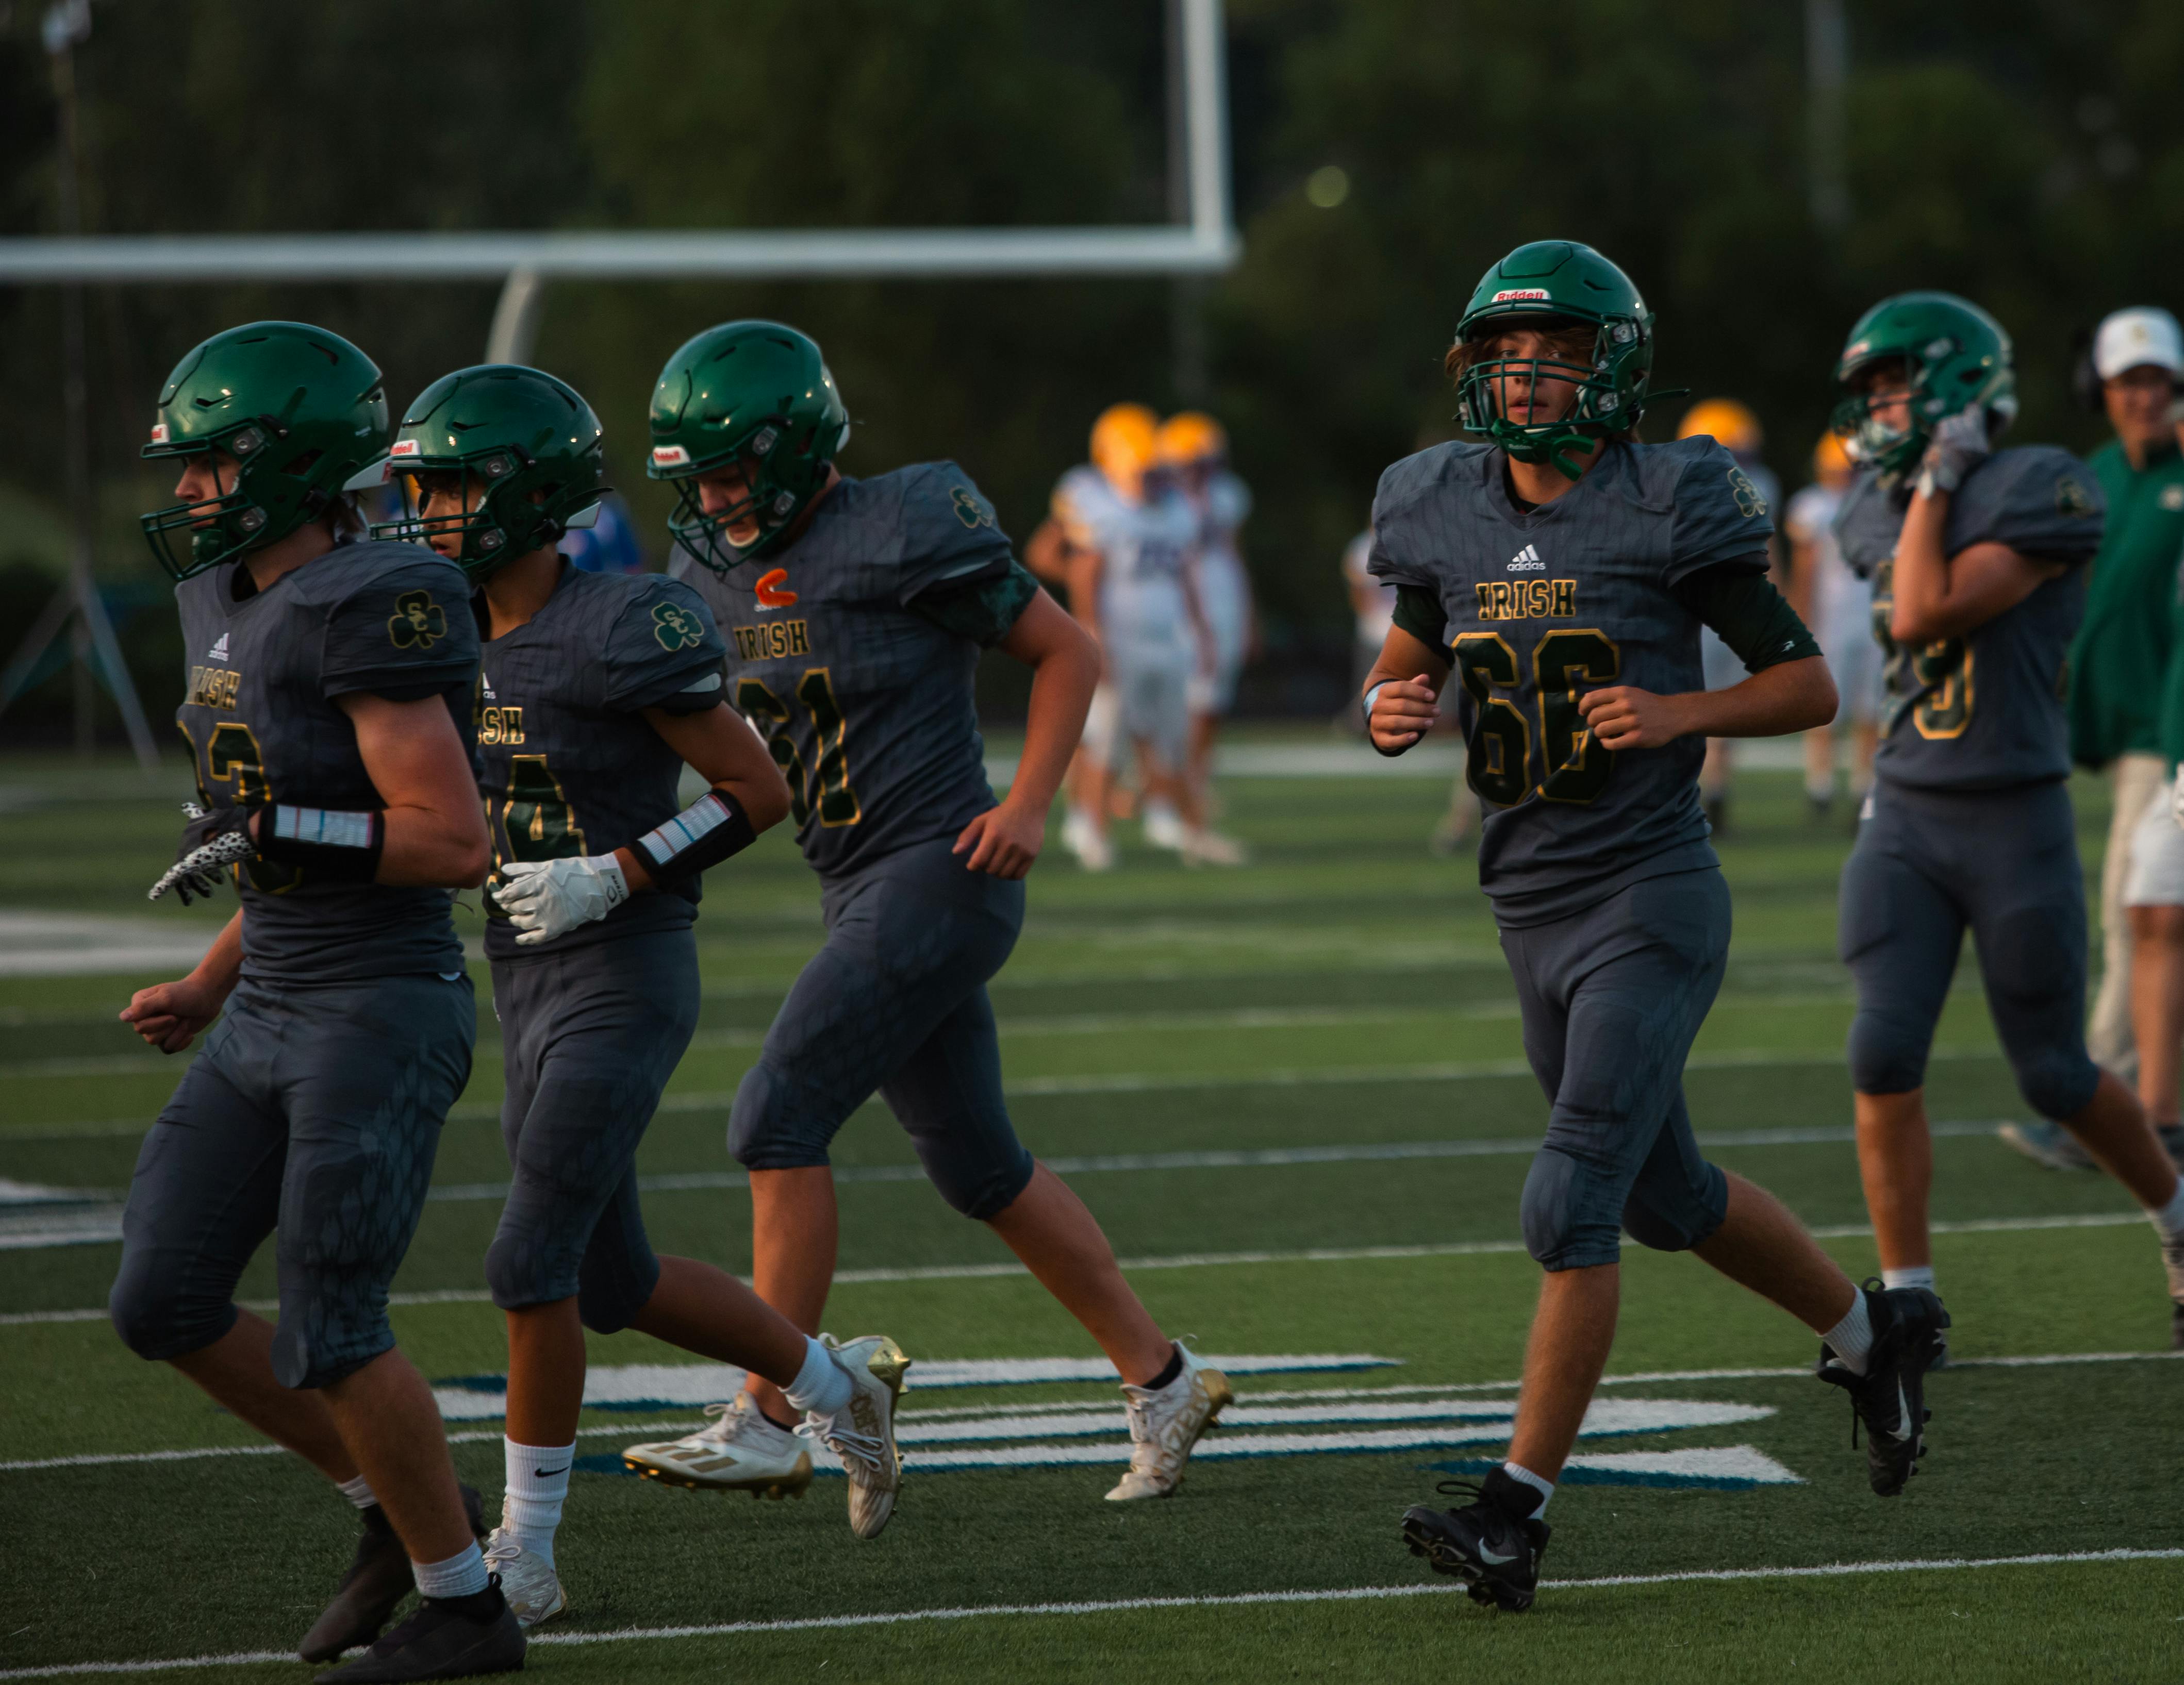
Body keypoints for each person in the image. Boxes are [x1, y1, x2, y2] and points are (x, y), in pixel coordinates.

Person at [1365, 242, 1935, 1616]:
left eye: (1556, 349)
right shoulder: (1432, 501)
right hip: (1525, 901)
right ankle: (1871, 1339)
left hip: (1648, 893)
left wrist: (1680, 713)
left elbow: (1802, 681)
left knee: (1568, 1197)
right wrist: (1394, 701)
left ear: (1609, 365)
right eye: (1509, 351)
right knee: (1664, 1194)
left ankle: (1512, 1517)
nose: (1526, 373)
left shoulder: (1669, 493)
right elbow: (1414, 644)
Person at [624, 321, 1231, 1503]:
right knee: (978, 1166)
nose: (712, 499)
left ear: (797, 447)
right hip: (853, 881)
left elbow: (1066, 650)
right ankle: (1164, 1379)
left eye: (731, 471)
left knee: (776, 1116)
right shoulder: (702, 572)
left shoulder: (902, 519)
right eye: (695, 477)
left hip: (945, 869)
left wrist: (1032, 804)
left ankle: (772, 1408)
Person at [351, 363, 912, 1625]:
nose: (428, 510)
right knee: (615, 1280)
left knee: (527, 1259)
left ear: (527, 493)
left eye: (452, 487)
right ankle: (840, 1389)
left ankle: (526, 1555)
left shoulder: (624, 621)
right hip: (522, 980)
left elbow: (758, 792)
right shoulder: (425, 633)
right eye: (421, 487)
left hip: (624, 971)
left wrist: (620, 872)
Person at [112, 322, 523, 1682]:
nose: (189, 491)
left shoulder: (376, 595)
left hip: (375, 1001)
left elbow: (450, 842)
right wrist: (208, 977)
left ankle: (468, 1604)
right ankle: (399, 1517)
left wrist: (286, 829)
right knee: (161, 1295)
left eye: (215, 462)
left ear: (293, 462)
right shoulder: (222, 592)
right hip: (270, 996)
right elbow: (264, 834)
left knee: (333, 1325)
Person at [1827, 291, 2184, 1351]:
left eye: (1895, 386)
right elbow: (1902, 590)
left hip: (2014, 814)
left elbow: (1931, 605)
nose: (1880, 409)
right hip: (1906, 812)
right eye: (1874, 392)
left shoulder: (2047, 485)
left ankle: (2177, 1215)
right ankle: (1910, 1293)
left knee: (2055, 1072)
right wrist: (1929, 477)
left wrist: (1940, 478)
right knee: (1882, 1049)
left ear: (1952, 384)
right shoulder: (1878, 500)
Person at [2006, 307, 2184, 1170]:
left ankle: (2103, 1097)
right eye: (2129, 382)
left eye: (2160, 381)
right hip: (2121, 732)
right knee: (2141, 910)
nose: (2146, 397)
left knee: (2133, 906)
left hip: (2170, 731)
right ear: (2100, 391)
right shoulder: (2096, 477)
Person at [1041, 406, 1245, 869]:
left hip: (1169, 639)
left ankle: (1192, 830)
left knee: (1173, 740)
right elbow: (1083, 579)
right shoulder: (1103, 510)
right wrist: (1096, 640)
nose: (1152, 479)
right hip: (1122, 639)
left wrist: (1204, 632)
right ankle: (1093, 831)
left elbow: (1188, 576)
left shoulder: (1174, 510)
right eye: (1143, 471)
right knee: (1107, 740)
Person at [1676, 399, 1783, 835]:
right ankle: (1714, 792)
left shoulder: (1680, 484)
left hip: (1701, 609)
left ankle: (1705, 792)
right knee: (1717, 701)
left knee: (1701, 700)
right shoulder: (1760, 484)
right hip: (1732, 608)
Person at [1157, 411, 1256, 827]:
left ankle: (1192, 782)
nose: (1206, 468)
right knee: (1182, 703)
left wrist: (1250, 612)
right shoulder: (1160, 499)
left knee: (1212, 702)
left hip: (1223, 597)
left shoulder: (1227, 495)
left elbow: (1234, 553)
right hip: (1180, 603)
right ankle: (1169, 791)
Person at [1785, 432, 1875, 817]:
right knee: (1827, 706)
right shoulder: (1814, 506)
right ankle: (1820, 785)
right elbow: (1806, 573)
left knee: (1869, 709)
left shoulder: (1880, 503)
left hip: (1871, 618)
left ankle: (1861, 785)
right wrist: (1801, 620)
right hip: (1832, 619)